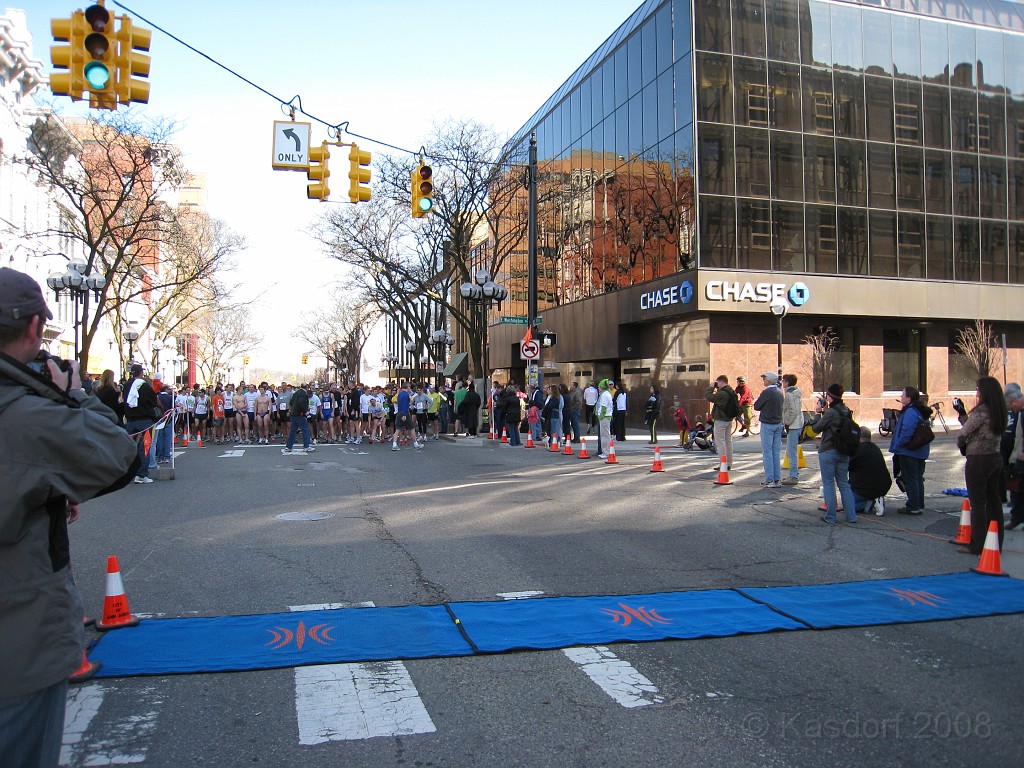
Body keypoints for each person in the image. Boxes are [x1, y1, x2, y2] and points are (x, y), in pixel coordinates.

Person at [0, 267, 138, 768]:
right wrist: (71, 394)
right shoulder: (27, 415)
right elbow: (119, 454)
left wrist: (48, 486)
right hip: (17, 648)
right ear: (36, 327)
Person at [956, 376, 1008, 555]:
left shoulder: (981, 410)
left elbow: (964, 432)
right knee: (994, 500)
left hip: (978, 458)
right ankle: (995, 541)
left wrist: (961, 441)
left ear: (985, 391)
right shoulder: (999, 409)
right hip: (994, 457)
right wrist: (963, 415)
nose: (977, 393)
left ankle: (977, 544)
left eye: (978, 389)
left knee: (977, 502)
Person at [809, 383, 858, 525]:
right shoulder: (845, 410)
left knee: (829, 483)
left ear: (830, 396)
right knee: (844, 483)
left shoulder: (831, 412)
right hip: (844, 451)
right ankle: (852, 516)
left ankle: (830, 516)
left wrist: (818, 413)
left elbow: (817, 428)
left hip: (829, 450)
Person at [888, 386, 932, 515]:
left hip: (909, 451)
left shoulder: (911, 411)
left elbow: (907, 431)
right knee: (917, 477)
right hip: (919, 450)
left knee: (911, 478)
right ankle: (919, 504)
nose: (901, 397)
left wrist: (899, 444)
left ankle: (913, 505)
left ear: (909, 397)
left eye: (903, 395)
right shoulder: (919, 410)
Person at [123, 364, 161, 483]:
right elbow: (153, 401)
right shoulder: (144, 386)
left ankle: (131, 473)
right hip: (145, 419)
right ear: (141, 373)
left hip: (130, 420)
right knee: (144, 447)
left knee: (131, 447)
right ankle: (142, 474)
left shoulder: (127, 385)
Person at [849, 427, 893, 515]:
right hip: (883, 486)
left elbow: (848, 466)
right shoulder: (875, 448)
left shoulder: (858, 450)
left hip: (864, 488)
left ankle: (869, 503)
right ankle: (876, 499)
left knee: (847, 504)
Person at [754, 372, 784, 487]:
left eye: (764, 378)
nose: (763, 380)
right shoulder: (779, 392)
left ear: (769, 380)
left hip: (768, 423)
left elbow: (757, 406)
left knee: (767, 453)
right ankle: (777, 479)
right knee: (776, 452)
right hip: (778, 423)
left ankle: (770, 479)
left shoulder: (767, 392)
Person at [705, 375, 737, 470]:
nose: (717, 385)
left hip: (721, 420)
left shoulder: (722, 393)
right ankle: (729, 463)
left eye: (717, 383)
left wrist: (711, 387)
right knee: (728, 441)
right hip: (728, 419)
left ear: (722, 382)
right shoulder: (731, 391)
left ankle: (723, 463)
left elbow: (709, 397)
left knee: (720, 442)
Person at [1004, 383, 1024, 530]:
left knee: (1017, 487)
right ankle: (1017, 516)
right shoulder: (1021, 412)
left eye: (1011, 406)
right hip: (1018, 454)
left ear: (1015, 401)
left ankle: (1016, 517)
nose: (1012, 409)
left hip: (1021, 455)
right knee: (1017, 486)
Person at [781, 373, 804, 485]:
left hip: (793, 425)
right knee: (792, 450)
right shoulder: (796, 392)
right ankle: (793, 475)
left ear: (787, 382)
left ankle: (794, 476)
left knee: (791, 451)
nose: (782, 383)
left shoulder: (790, 394)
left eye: (783, 381)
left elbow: (792, 411)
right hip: (797, 424)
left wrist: (787, 422)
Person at [284, 384, 315, 453]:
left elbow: (291, 402)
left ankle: (289, 446)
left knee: (293, 431)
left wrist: (291, 411)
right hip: (300, 414)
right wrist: (305, 411)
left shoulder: (296, 393)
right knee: (305, 429)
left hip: (294, 414)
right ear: (306, 388)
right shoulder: (303, 394)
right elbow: (301, 403)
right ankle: (306, 446)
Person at [596, 378, 614, 457]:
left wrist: (601, 416)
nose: (598, 388)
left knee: (604, 435)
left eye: (599, 387)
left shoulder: (604, 395)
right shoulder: (607, 394)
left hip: (604, 417)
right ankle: (606, 452)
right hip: (606, 416)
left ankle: (606, 452)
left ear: (602, 387)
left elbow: (604, 407)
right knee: (605, 435)